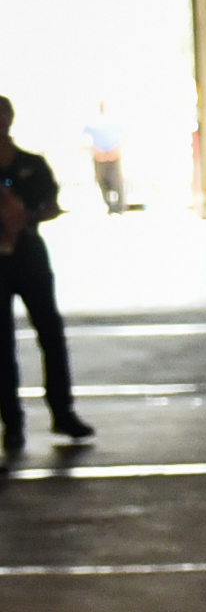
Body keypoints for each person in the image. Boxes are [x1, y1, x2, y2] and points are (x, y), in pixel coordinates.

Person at [0, 96, 92, 455]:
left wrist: (26, 216)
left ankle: (62, 411)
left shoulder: (31, 164)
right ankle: (12, 423)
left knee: (51, 333)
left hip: (29, 256)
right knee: (2, 345)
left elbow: (50, 204)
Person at [81, 107, 126, 214]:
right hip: (99, 158)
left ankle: (120, 207)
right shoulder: (91, 124)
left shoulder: (117, 123)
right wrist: (94, 150)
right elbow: (84, 139)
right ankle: (110, 206)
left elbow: (123, 137)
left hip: (113, 157)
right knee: (103, 182)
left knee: (116, 183)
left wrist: (115, 149)